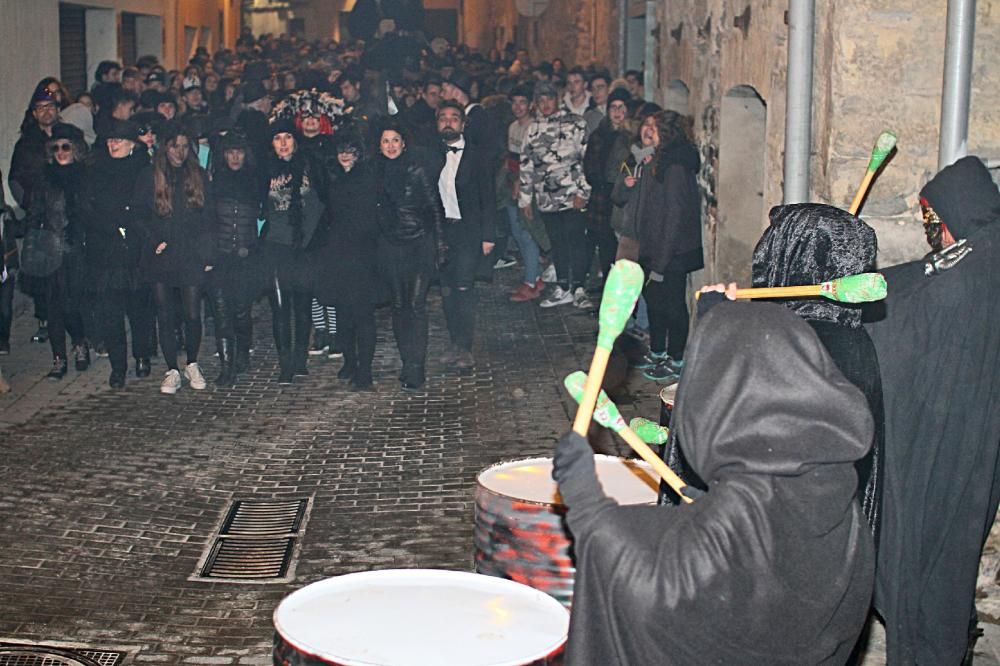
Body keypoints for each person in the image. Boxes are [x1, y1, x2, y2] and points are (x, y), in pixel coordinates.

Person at [552, 301, 876, 665]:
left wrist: (587, 508)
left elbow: (650, 590)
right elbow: (764, 565)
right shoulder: (832, 479)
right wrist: (708, 508)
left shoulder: (746, 502)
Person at [865, 156, 1000, 665]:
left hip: (949, 436)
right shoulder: (982, 249)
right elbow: (917, 275)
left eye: (933, 222)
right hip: (975, 436)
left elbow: (919, 305)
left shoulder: (972, 273)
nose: (931, 235)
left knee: (929, 555)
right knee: (951, 553)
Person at [750, 203, 883, 538]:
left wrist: (717, 323)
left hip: (792, 540)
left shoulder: (796, 347)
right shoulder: (851, 336)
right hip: (838, 542)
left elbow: (734, 443)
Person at [614, 110, 702, 383]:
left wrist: (661, 263)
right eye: (646, 125)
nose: (648, 131)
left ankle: (676, 358)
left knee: (672, 305)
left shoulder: (674, 166)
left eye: (656, 127)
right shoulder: (653, 161)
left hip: (671, 252)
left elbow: (673, 217)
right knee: (655, 303)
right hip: (651, 247)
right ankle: (658, 350)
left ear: (667, 133)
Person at [133, 121, 214, 395]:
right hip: (162, 254)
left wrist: (207, 252)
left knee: (192, 313)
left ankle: (192, 362)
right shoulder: (149, 176)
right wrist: (155, 240)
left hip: (191, 252)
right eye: (173, 146)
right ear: (164, 147)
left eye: (183, 147)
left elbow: (208, 216)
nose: (178, 153)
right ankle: (171, 369)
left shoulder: (198, 176)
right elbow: (138, 214)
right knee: (165, 313)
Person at [83, 119, 156, 388]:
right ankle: (118, 365)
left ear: (132, 145)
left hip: (135, 250)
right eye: (110, 141)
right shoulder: (96, 171)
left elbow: (148, 207)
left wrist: (130, 222)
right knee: (111, 312)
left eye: (119, 141)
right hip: (105, 250)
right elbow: (87, 208)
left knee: (139, 309)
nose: (113, 145)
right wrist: (111, 224)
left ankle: (141, 356)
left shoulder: (142, 170)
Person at [373, 122, 443, 391]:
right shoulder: (376, 173)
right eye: (385, 141)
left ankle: (417, 366)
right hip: (390, 246)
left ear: (404, 143)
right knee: (399, 306)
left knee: (415, 306)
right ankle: (406, 361)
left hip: (418, 244)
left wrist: (440, 245)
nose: (390, 146)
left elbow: (434, 207)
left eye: (395, 140)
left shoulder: (416, 170)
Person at [260, 118, 327, 385]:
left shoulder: (311, 167)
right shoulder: (264, 170)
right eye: (278, 138)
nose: (284, 143)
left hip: (304, 246)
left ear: (296, 142)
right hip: (275, 247)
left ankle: (300, 359)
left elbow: (322, 205)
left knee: (302, 305)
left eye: (288, 137)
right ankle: (285, 362)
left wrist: (312, 241)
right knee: (279, 307)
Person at [22, 123, 91, 380]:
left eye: (66, 147)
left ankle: (80, 341)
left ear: (75, 150)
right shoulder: (44, 179)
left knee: (73, 305)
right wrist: (31, 249)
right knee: (53, 307)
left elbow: (91, 215)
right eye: (57, 147)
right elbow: (33, 215)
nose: (61, 152)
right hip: (49, 250)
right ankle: (59, 358)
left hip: (77, 251)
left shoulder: (85, 177)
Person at [314, 131, 380, 391]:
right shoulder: (332, 177)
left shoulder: (367, 176)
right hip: (337, 252)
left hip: (362, 252)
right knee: (342, 313)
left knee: (363, 314)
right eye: (341, 150)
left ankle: (365, 369)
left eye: (350, 150)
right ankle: (350, 362)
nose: (345, 155)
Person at [433, 101, 496, 368]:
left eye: (454, 118)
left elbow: (488, 197)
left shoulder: (478, 156)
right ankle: (455, 342)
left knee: (464, 287)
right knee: (447, 290)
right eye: (443, 118)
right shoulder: (430, 154)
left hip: (468, 231)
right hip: (441, 232)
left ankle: (466, 347)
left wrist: (488, 235)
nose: (449, 122)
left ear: (463, 124)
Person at [519, 81, 591, 309]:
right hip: (546, 197)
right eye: (540, 100)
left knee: (576, 241)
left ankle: (579, 287)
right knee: (557, 243)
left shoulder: (576, 124)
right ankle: (563, 286)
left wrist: (584, 191)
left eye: (549, 99)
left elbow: (586, 160)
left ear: (557, 99)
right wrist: (525, 198)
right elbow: (526, 165)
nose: (545, 104)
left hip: (572, 194)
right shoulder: (533, 130)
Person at [207, 131, 263, 386]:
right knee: (221, 313)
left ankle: (242, 353)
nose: (235, 157)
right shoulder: (214, 182)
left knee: (241, 312)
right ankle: (226, 367)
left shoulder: (255, 181)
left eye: (239, 151)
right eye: (230, 152)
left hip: (246, 258)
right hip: (219, 258)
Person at [582, 87, 630, 287]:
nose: (617, 112)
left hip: (624, 197)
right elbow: (590, 163)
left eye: (621, 107)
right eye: (613, 108)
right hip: (603, 195)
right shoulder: (599, 135)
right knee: (605, 243)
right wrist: (600, 182)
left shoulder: (632, 136)